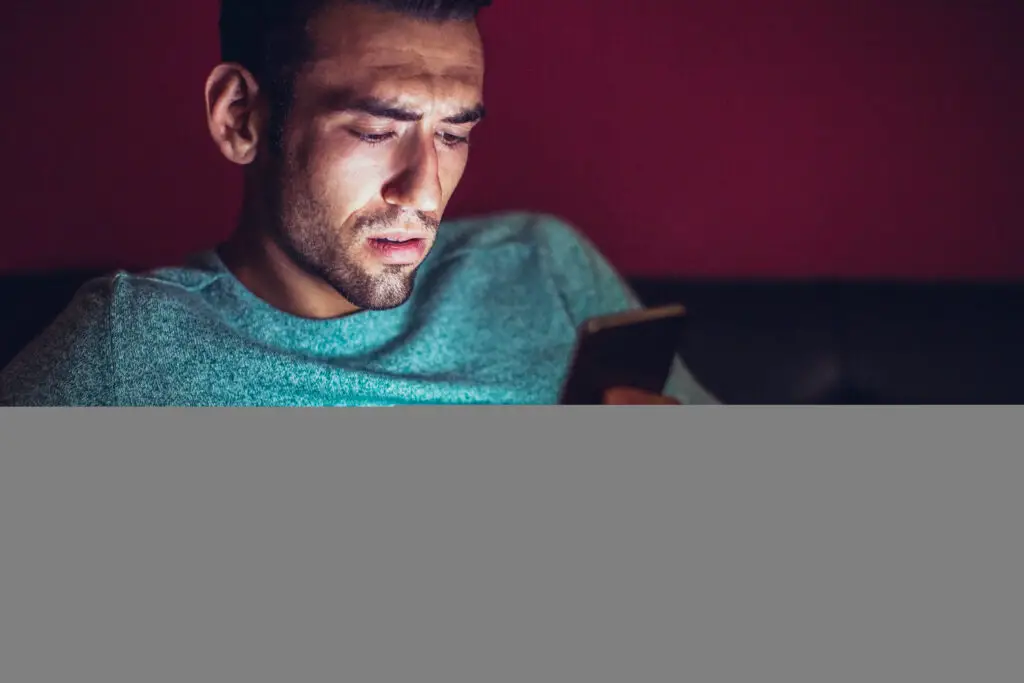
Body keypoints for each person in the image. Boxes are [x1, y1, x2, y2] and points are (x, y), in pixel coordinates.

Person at [0, 0, 716, 407]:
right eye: (377, 130)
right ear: (240, 117)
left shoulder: (543, 265)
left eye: (454, 133)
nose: (424, 191)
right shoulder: (126, 349)